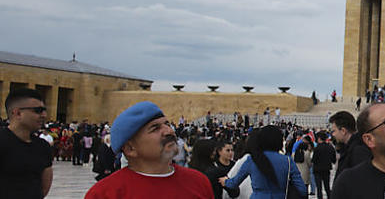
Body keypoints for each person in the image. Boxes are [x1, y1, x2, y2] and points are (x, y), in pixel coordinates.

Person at [85, 101, 214, 198]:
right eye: (155, 128)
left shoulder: (199, 182)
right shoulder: (105, 194)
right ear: (130, 148)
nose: (169, 131)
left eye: (167, 124)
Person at [224, 125, 307, 198]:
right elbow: (302, 189)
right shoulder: (287, 161)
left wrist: (225, 181)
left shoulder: (252, 159)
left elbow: (234, 183)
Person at [0, 87, 53, 199]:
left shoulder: (43, 147)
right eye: (38, 111)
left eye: (44, 110)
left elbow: (44, 188)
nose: (43, 115)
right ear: (18, 113)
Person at [330, 110, 372, 183]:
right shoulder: (349, 148)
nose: (333, 134)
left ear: (343, 131)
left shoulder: (358, 151)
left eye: (334, 131)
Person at [311, 132, 337, 199]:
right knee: (327, 187)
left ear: (319, 138)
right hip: (326, 169)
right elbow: (334, 160)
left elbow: (314, 160)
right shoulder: (330, 147)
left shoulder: (317, 148)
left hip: (317, 170)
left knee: (319, 189)